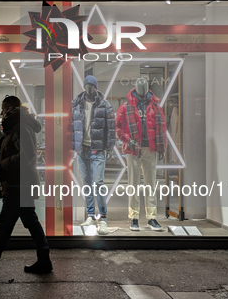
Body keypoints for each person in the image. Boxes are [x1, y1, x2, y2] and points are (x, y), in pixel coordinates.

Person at [0, 96, 51, 276]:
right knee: (28, 223)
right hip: (19, 184)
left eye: (3, 109)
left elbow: (27, 155)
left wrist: (4, 164)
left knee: (7, 225)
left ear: (11, 109)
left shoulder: (20, 126)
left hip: (19, 184)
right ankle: (44, 261)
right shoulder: (17, 125)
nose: (1, 113)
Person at [116, 78, 167, 232]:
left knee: (151, 184)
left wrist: (162, 147)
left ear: (147, 88)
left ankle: (152, 217)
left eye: (145, 87)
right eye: (140, 86)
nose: (142, 89)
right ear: (136, 88)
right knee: (133, 184)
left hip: (151, 149)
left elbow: (162, 128)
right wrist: (127, 140)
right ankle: (134, 217)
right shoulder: (126, 107)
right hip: (133, 149)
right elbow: (118, 128)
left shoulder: (156, 106)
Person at [71, 75, 116, 235]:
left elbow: (111, 128)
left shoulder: (104, 105)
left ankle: (103, 218)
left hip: (97, 150)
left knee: (98, 183)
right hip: (82, 150)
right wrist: (72, 146)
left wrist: (110, 147)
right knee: (87, 183)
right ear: (84, 86)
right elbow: (72, 127)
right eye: (87, 85)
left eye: (92, 85)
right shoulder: (76, 104)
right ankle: (90, 215)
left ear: (96, 87)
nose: (89, 88)